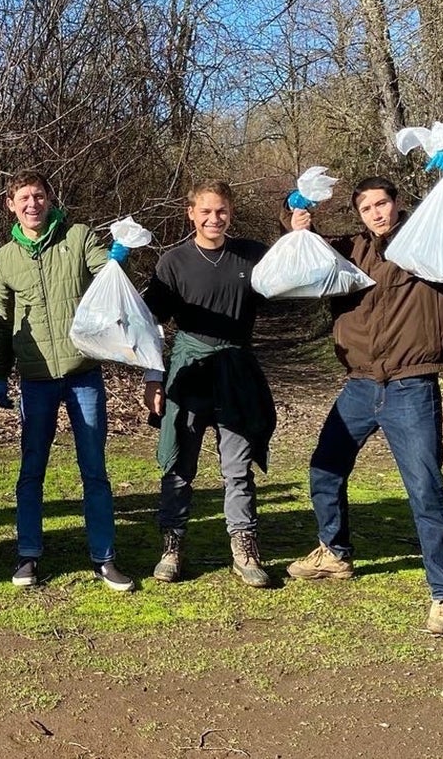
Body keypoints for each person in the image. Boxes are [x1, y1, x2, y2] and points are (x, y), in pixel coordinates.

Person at [284, 152, 443, 634]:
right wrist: (293, 209)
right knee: (324, 469)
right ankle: (334, 553)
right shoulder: (352, 252)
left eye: (382, 204)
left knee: (425, 490)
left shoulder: (432, 242)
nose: (376, 213)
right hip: (360, 385)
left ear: (397, 204)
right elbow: (303, 252)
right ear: (359, 214)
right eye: (366, 208)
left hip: (411, 385)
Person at [0, 169, 133, 592]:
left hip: (82, 373)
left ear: (50, 200)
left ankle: (104, 558)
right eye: (23, 198)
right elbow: (1, 322)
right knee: (31, 469)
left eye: (39, 196)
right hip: (35, 379)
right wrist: (0, 373)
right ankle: (28, 555)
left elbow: (105, 273)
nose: (32, 204)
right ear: (11, 206)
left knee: (94, 469)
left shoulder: (79, 237)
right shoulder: (3, 259)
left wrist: (118, 258)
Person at [143, 180, 277, 588]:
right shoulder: (174, 262)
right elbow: (149, 324)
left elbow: (293, 277)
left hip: (236, 369)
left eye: (220, 211)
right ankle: (172, 545)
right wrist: (153, 377)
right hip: (188, 367)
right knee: (179, 463)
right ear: (191, 213)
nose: (213, 218)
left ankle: (244, 546)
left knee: (237, 467)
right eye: (205, 211)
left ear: (230, 212)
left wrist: (298, 231)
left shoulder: (252, 255)